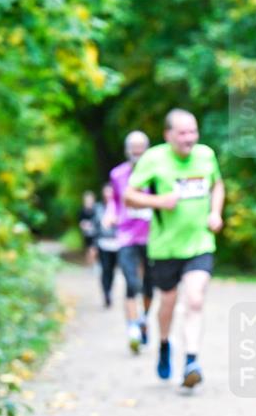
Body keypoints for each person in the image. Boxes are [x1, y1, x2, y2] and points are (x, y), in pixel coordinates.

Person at [124, 109, 224, 388]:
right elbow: (129, 196)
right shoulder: (154, 159)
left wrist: (215, 212)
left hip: (200, 244)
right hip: (165, 248)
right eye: (182, 133)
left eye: (193, 131)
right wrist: (159, 202)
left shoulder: (206, 155)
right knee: (166, 305)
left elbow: (218, 185)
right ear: (168, 135)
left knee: (194, 299)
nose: (189, 138)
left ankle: (191, 360)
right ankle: (165, 345)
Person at [108, 130, 155, 353]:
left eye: (141, 147)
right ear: (127, 150)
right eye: (133, 147)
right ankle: (133, 329)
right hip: (126, 237)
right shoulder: (117, 174)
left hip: (153, 237)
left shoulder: (156, 174)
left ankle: (143, 319)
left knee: (148, 288)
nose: (137, 151)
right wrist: (110, 215)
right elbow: (115, 203)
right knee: (131, 283)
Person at [96, 184, 121, 309]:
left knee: (112, 270)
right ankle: (106, 293)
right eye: (106, 192)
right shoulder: (99, 208)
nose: (108, 195)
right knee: (105, 269)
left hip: (116, 243)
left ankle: (109, 290)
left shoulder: (119, 207)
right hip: (103, 243)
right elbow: (96, 226)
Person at [78, 191, 100, 268]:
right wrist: (85, 226)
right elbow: (81, 223)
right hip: (87, 233)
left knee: (94, 249)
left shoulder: (97, 209)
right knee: (89, 249)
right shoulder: (83, 210)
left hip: (96, 233)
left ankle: (93, 263)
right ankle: (90, 264)